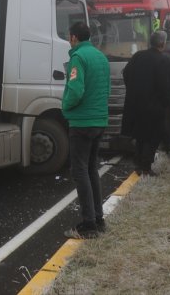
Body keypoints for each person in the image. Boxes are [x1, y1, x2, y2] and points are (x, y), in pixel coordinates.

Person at [62, 22, 111, 239]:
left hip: (81, 122)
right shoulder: (101, 57)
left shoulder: (78, 58)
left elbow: (75, 90)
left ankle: (88, 224)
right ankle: (99, 219)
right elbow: (107, 88)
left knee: (79, 171)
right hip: (99, 120)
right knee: (92, 170)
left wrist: (65, 106)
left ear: (73, 37)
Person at [121, 30, 168, 176]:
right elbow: (164, 84)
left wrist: (132, 89)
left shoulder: (138, 55)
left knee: (140, 135)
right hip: (153, 105)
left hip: (135, 104)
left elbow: (125, 73)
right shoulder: (162, 59)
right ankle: (146, 167)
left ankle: (138, 164)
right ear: (163, 43)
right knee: (152, 137)